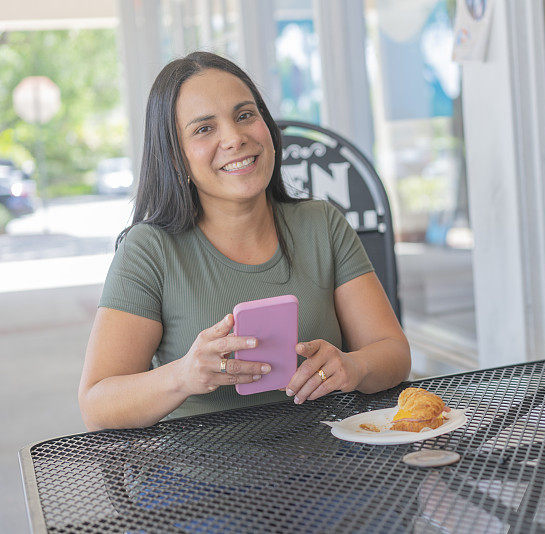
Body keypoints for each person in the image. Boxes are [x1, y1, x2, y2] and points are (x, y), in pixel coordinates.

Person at [78, 51, 411, 430]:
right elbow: (96, 406)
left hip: (328, 461)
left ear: (267, 129)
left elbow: (394, 352)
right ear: (176, 157)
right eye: (204, 128)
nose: (235, 138)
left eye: (244, 115)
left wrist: (354, 366)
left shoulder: (322, 224)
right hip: (198, 478)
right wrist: (184, 376)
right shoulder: (149, 250)